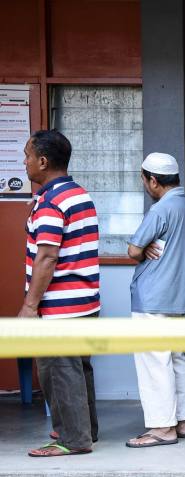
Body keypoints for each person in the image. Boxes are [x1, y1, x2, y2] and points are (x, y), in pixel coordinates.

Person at [20, 129, 101, 457]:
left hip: (59, 306)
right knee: (78, 369)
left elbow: (48, 256)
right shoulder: (77, 193)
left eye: (27, 156)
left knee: (58, 371)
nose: (23, 162)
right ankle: (85, 430)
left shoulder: (52, 201)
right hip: (85, 300)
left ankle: (72, 439)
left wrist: (29, 305)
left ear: (43, 160)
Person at [125, 153, 185, 448]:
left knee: (154, 362)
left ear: (153, 181)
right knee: (176, 359)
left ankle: (161, 428)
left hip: (153, 298)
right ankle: (182, 422)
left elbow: (132, 250)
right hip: (179, 297)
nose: (145, 185)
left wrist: (142, 251)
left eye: (144, 180)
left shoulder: (160, 210)